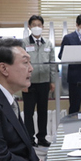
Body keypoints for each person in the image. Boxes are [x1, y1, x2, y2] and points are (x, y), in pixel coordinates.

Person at [22, 15, 56, 147]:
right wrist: (23, 82)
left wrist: (52, 81)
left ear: (43, 27)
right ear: (30, 27)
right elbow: (20, 64)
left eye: (39, 25)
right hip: (29, 83)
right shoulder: (24, 43)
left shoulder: (48, 43)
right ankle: (29, 139)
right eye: (34, 25)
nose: (37, 27)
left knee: (43, 111)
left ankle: (42, 137)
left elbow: (52, 64)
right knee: (28, 112)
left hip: (44, 82)